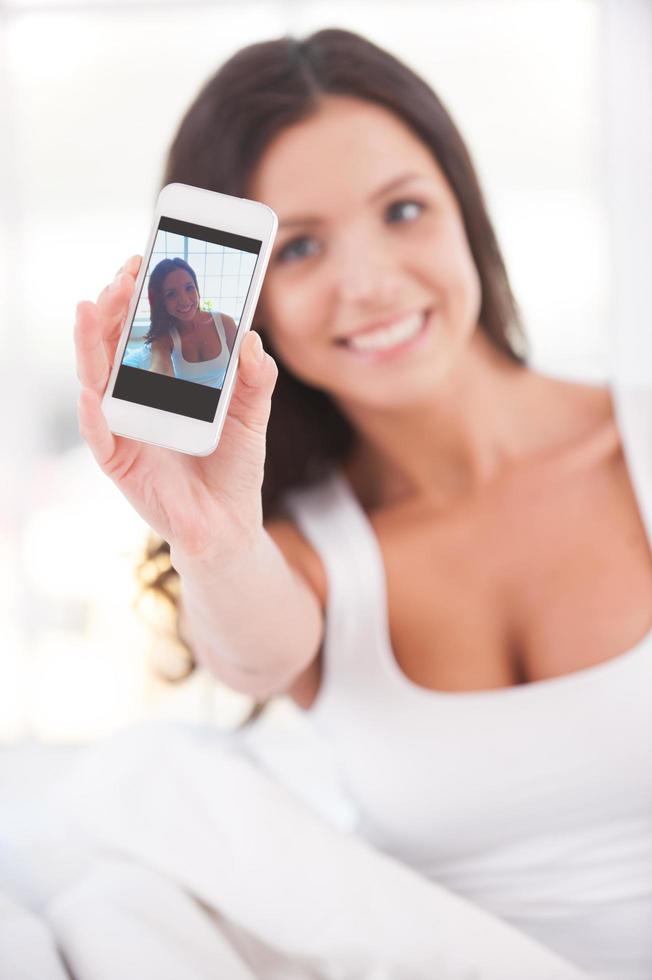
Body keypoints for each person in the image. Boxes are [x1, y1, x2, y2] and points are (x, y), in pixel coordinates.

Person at [74, 28, 652, 980]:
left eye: (405, 210)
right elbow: (253, 656)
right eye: (299, 247)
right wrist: (208, 532)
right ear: (243, 296)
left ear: (464, 209)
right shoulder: (301, 551)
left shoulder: (632, 444)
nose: (370, 283)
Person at [144, 257, 237, 388]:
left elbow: (242, 368)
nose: (184, 300)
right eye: (171, 294)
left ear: (197, 289)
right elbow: (160, 367)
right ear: (162, 302)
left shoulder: (225, 323)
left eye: (189, 288)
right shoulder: (164, 337)